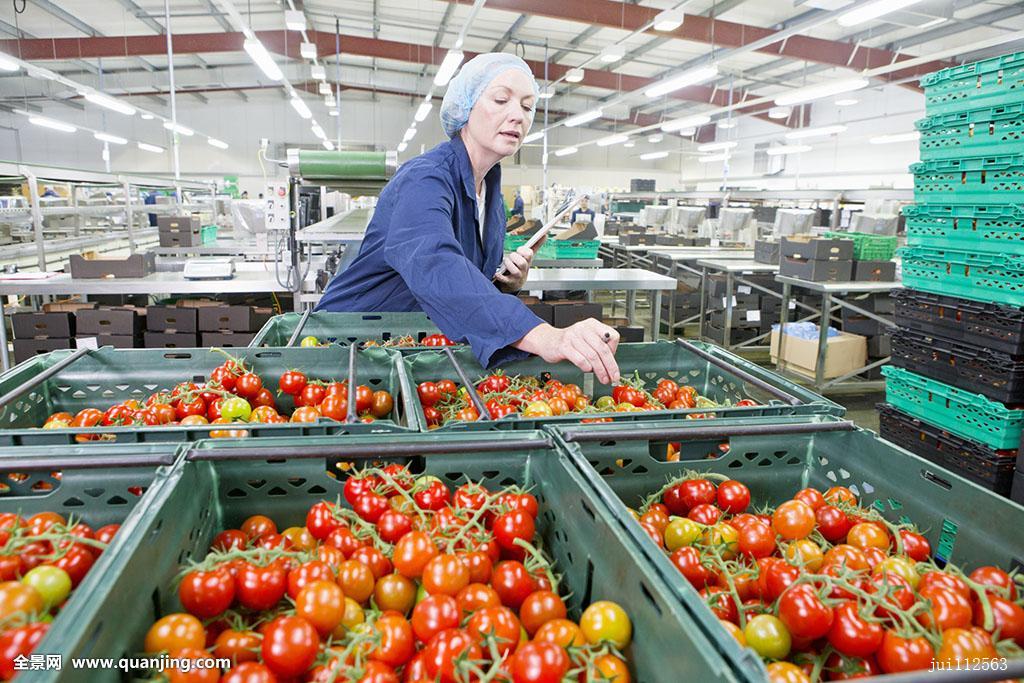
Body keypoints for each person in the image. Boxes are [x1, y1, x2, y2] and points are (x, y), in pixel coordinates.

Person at [316, 53, 620, 383]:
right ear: (466, 107)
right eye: (501, 99)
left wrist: (505, 284)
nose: (517, 115)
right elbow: (435, 264)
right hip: (346, 346)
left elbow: (466, 282)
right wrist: (546, 336)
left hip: (412, 345)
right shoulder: (424, 179)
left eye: (528, 106)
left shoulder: (489, 191)